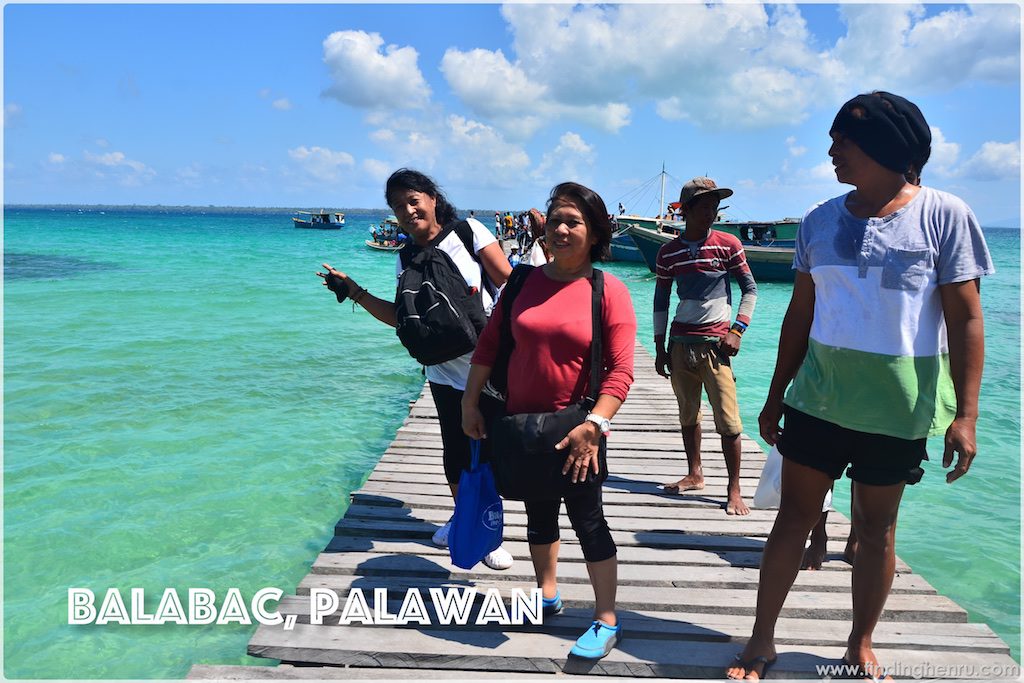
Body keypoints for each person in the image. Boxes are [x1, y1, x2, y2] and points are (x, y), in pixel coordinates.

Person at [726, 92, 993, 681]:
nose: (831, 152)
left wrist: (966, 413)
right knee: (793, 517)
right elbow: (800, 315)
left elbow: (966, 319)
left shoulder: (944, 215)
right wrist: (775, 396)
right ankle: (761, 637)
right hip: (818, 399)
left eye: (841, 141)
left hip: (899, 406)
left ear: (884, 148)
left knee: (876, 528)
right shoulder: (820, 221)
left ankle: (860, 643)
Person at [462, 182, 637, 660]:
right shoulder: (521, 281)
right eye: (555, 219)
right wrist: (470, 402)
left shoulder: (608, 291)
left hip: (577, 430)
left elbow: (621, 371)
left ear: (595, 233)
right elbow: (490, 345)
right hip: (521, 423)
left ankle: (606, 618)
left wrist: (595, 426)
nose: (561, 229)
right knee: (538, 514)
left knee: (588, 520)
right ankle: (547, 592)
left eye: (573, 222)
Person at [317, 168, 515, 570]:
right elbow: (401, 318)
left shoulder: (469, 232)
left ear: (432, 198)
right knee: (456, 455)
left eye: (413, 200)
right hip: (442, 371)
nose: (408, 211)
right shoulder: (405, 256)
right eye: (397, 207)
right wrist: (354, 291)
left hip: (489, 365)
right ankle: (469, 522)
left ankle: (489, 527)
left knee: (496, 454)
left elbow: (511, 285)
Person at [654, 177, 757, 516]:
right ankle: (695, 473)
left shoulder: (728, 244)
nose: (711, 212)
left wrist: (737, 331)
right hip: (681, 343)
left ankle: (734, 489)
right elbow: (661, 299)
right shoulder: (668, 252)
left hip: (716, 345)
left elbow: (750, 290)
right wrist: (659, 345)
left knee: (728, 420)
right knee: (688, 413)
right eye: (704, 206)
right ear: (686, 211)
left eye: (715, 206)